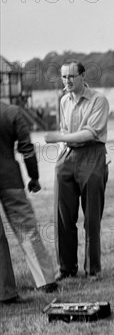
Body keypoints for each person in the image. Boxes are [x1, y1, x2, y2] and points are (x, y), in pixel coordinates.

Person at [44, 60, 109, 281]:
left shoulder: (98, 100)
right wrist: (62, 152)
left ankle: (92, 270)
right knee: (63, 216)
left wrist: (59, 138)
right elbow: (66, 130)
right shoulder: (64, 101)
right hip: (68, 156)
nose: (67, 81)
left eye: (72, 76)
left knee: (91, 217)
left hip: (92, 154)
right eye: (64, 77)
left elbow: (90, 134)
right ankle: (66, 269)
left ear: (83, 76)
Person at [1, 101, 58, 303]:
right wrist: (33, 177)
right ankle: (45, 280)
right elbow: (26, 148)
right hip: (10, 178)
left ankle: (4, 291)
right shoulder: (12, 112)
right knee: (26, 229)